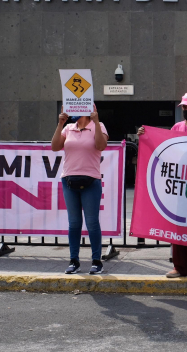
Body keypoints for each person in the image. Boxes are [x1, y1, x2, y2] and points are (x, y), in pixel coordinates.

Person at [138, 92, 187, 278]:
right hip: (179, 185)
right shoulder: (176, 127)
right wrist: (146, 137)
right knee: (179, 226)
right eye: (184, 107)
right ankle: (180, 267)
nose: (186, 110)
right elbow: (165, 149)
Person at [51, 105, 108, 274]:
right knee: (74, 223)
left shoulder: (99, 125)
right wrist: (60, 124)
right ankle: (74, 261)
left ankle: (96, 261)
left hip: (91, 180)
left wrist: (96, 122)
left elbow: (101, 145)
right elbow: (54, 147)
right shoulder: (68, 128)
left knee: (92, 222)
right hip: (69, 180)